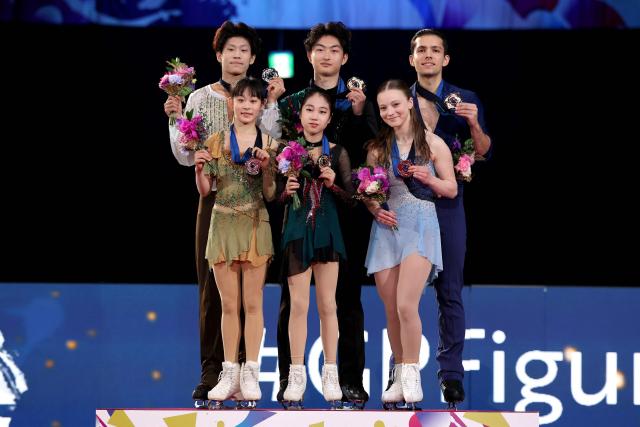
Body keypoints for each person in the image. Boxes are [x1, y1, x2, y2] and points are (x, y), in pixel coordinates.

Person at [162, 21, 284, 407]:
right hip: (213, 199)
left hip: (255, 202)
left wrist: (276, 102)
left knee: (252, 297)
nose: (236, 55)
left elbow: (274, 150)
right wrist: (175, 118)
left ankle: (248, 371)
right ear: (218, 55)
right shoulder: (198, 97)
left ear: (252, 58)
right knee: (211, 293)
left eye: (243, 50)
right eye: (229, 49)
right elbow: (185, 154)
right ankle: (213, 372)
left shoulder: (261, 98)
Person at [275, 21, 378, 409]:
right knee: (292, 301)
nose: (327, 55)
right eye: (320, 48)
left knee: (345, 300)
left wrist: (359, 112)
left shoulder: (356, 99)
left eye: (335, 49)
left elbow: (373, 146)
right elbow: (278, 149)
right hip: (299, 210)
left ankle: (348, 382)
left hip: (345, 210)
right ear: (309, 54)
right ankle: (290, 380)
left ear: (345, 57)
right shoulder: (292, 101)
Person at [408, 28, 491, 407]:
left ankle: (451, 377)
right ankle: (404, 371)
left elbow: (484, 151)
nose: (427, 56)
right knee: (402, 297)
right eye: (421, 50)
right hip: (407, 206)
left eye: (434, 51)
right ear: (412, 59)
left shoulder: (465, 100)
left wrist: (474, 125)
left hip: (447, 206)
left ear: (445, 59)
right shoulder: (398, 101)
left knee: (450, 291)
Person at [364, 79, 458, 408]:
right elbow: (370, 191)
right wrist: (374, 206)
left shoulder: (433, 144)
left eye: (395, 104)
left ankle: (412, 373)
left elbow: (451, 189)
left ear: (409, 103)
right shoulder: (377, 148)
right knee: (391, 311)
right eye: (383, 108)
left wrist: (427, 177)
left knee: (407, 305)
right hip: (388, 230)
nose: (390, 112)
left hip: (421, 225)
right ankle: (399, 377)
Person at [194, 77, 278, 408]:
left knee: (252, 304)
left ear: (261, 106)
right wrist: (199, 170)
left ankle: (251, 372)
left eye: (253, 101)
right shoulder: (215, 142)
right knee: (228, 305)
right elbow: (205, 191)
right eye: (240, 100)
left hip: (256, 224)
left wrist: (270, 169)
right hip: (222, 225)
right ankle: (228, 373)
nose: (246, 106)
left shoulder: (270, 143)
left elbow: (271, 194)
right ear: (232, 104)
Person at [278, 89, 355, 409]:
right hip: (296, 231)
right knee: (298, 305)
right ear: (300, 114)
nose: (314, 116)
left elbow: (352, 198)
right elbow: (272, 197)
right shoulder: (286, 150)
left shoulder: (337, 153)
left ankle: (330, 372)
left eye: (321, 111)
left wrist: (334, 181)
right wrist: (286, 190)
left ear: (329, 117)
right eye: (309, 109)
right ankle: (295, 375)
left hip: (327, 232)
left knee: (327, 305)